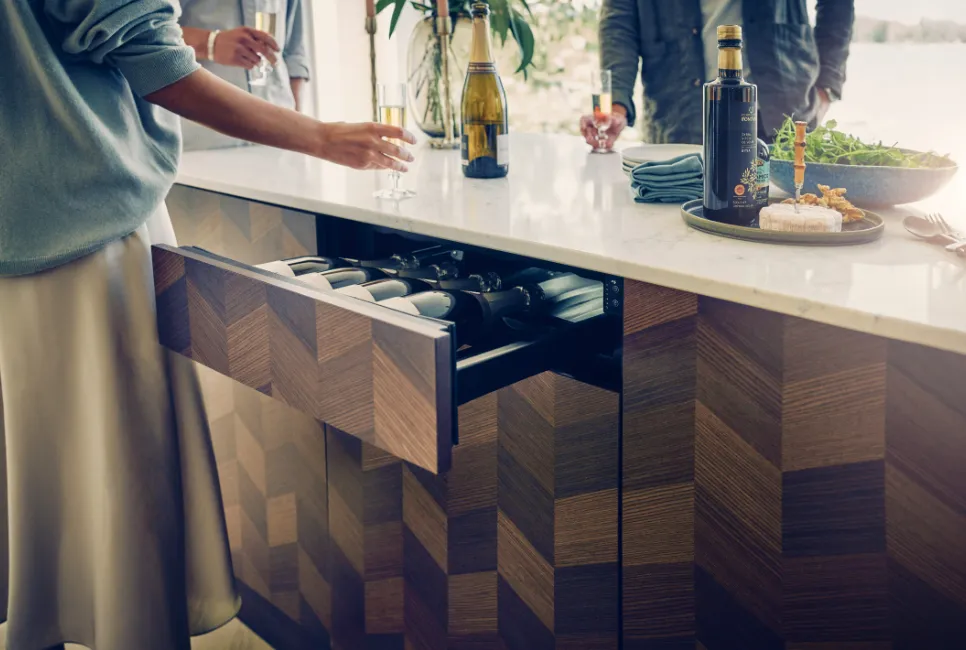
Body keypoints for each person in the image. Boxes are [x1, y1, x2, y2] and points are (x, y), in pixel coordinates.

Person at [0, 1, 413, 649]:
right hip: (89, 225)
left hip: (12, 228)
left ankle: (37, 626)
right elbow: (154, 62)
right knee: (125, 460)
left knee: (36, 466)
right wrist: (322, 137)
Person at [581, 0, 855, 148]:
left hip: (783, 110)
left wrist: (827, 85)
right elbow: (619, 20)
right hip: (680, 116)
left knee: (791, 228)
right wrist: (615, 105)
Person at [178, 0, 311, 150]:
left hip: (279, 139)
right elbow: (149, 33)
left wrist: (297, 128)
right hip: (200, 141)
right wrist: (211, 43)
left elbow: (294, 53)